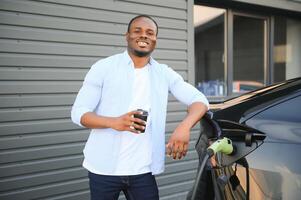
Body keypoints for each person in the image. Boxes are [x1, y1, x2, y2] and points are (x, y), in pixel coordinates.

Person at [71, 15, 209, 200]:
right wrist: (114, 122)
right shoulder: (104, 67)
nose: (144, 36)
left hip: (143, 170)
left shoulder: (163, 73)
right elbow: (78, 113)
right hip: (102, 168)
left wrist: (184, 127)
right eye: (137, 31)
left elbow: (199, 100)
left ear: (155, 40)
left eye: (150, 33)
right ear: (127, 36)